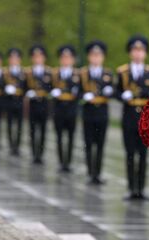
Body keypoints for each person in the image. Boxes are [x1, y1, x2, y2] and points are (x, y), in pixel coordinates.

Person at [116, 35, 149, 200]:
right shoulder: (123, 72)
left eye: (141, 50)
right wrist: (122, 95)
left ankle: (141, 188)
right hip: (128, 116)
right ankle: (130, 188)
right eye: (135, 50)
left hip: (145, 118)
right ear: (130, 53)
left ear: (145, 53)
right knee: (129, 153)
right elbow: (116, 91)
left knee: (142, 155)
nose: (138, 53)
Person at [80, 40, 114, 185]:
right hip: (88, 112)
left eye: (98, 55)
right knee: (88, 143)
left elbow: (114, 90)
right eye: (93, 55)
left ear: (103, 57)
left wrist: (109, 91)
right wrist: (83, 95)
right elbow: (77, 91)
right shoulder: (83, 73)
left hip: (102, 111)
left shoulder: (107, 73)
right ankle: (90, 172)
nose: (96, 58)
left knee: (100, 144)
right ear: (89, 57)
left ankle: (98, 173)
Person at [51, 45, 80, 173]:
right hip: (59, 108)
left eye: (68, 58)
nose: (66, 60)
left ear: (73, 60)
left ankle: (68, 162)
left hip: (71, 109)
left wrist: (76, 92)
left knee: (71, 137)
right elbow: (48, 87)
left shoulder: (78, 74)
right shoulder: (55, 74)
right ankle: (61, 162)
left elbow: (82, 90)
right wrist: (53, 91)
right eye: (64, 58)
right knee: (59, 136)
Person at [25, 44, 53, 164]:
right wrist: (28, 93)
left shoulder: (49, 72)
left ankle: (40, 154)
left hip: (43, 103)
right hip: (33, 103)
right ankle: (33, 154)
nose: (38, 59)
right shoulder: (28, 72)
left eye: (40, 57)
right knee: (32, 130)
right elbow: (23, 87)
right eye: (35, 57)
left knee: (42, 130)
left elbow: (52, 87)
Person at [3, 48, 27, 156]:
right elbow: (0, 85)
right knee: (9, 124)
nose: (14, 60)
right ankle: (11, 145)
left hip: (19, 101)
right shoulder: (5, 72)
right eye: (12, 58)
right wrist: (6, 89)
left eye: (16, 58)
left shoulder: (24, 72)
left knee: (19, 125)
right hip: (9, 101)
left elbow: (26, 87)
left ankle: (17, 145)